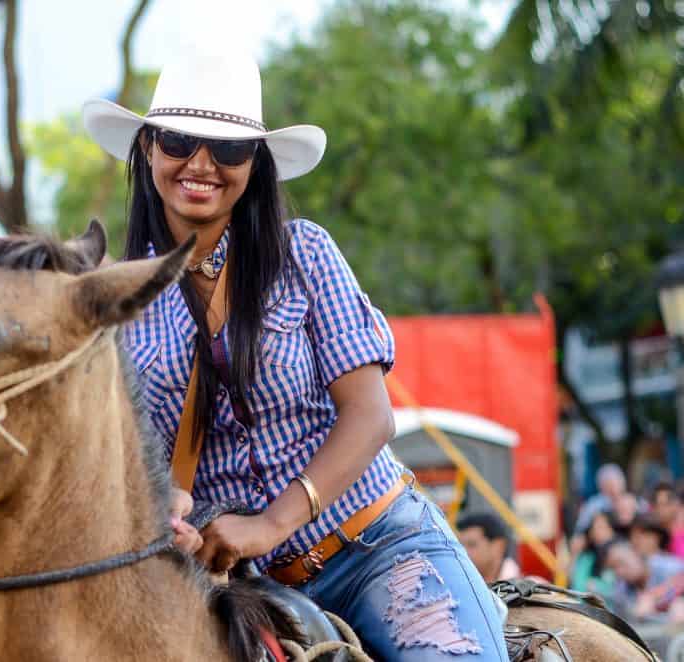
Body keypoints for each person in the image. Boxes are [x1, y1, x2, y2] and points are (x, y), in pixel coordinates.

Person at [83, 51, 508, 660]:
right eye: (179, 140)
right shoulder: (121, 299)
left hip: (377, 551)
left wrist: (271, 524)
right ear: (148, 147)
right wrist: (163, 507)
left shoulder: (303, 254)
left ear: (253, 166)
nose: (200, 164)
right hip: (233, 587)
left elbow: (371, 416)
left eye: (227, 149)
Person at [605, 540, 684, 621]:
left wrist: (654, 596)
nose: (619, 572)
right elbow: (621, 619)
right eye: (613, 568)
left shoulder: (667, 566)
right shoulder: (622, 586)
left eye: (621, 563)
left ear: (636, 554)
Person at [457, 512, 521, 583]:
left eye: (472, 544)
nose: (463, 552)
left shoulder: (530, 591)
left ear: (498, 546)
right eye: (460, 546)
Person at [569, 510, 619, 599]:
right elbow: (576, 585)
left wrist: (596, 586)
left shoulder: (619, 553)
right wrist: (575, 555)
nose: (596, 531)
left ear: (612, 529)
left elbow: (617, 589)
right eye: (594, 527)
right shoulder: (588, 555)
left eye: (601, 527)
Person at [652, 482, 684, 558]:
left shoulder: (679, 535)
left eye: (665, 504)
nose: (660, 509)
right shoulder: (651, 534)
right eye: (657, 504)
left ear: (676, 505)